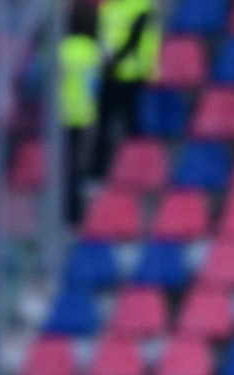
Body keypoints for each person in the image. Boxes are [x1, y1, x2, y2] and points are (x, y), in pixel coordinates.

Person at [93, 0, 158, 177]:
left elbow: (135, 38)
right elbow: (101, 36)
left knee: (133, 126)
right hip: (109, 74)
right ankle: (98, 172)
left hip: (132, 74)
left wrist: (114, 60)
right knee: (104, 125)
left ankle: (136, 173)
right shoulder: (108, 8)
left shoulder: (141, 6)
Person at [61, 4, 101, 224]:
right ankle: (76, 211)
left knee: (65, 164)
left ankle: (66, 210)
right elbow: (94, 84)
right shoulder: (92, 51)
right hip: (83, 112)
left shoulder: (62, 50)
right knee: (77, 164)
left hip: (62, 112)